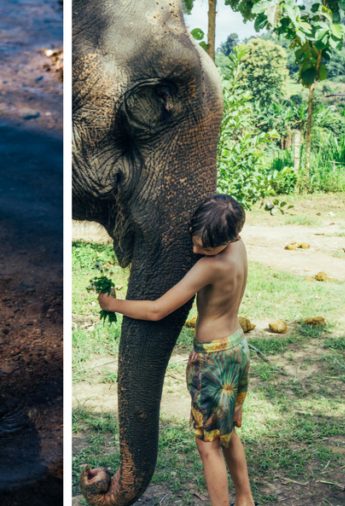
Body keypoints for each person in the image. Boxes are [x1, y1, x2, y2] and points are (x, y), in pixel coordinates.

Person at [97, 194, 255, 506]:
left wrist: (112, 304)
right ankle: (246, 500)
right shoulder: (238, 247)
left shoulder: (211, 266)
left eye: (204, 248)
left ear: (228, 238)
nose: (196, 251)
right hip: (238, 347)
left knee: (207, 445)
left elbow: (157, 310)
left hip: (213, 360)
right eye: (194, 243)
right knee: (227, 434)